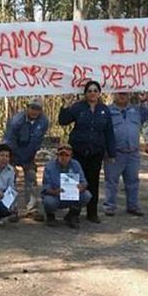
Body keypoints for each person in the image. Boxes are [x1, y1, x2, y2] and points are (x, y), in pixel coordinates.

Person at [59, 80, 116, 223]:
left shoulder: (104, 110)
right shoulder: (78, 107)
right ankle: (73, 213)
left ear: (99, 93)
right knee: (74, 182)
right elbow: (63, 121)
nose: (92, 93)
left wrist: (112, 152)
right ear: (85, 93)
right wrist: (66, 105)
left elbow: (109, 132)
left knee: (93, 182)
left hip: (96, 151)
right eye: (89, 90)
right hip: (78, 150)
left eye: (95, 90)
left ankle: (92, 213)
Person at [102, 92, 148, 217]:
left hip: (132, 153)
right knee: (111, 181)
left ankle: (133, 206)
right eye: (120, 93)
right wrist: (106, 151)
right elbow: (102, 131)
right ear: (114, 94)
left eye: (125, 93)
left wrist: (144, 101)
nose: (122, 95)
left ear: (129, 95)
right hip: (115, 153)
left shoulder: (136, 110)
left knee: (133, 181)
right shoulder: (107, 111)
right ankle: (110, 206)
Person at [3, 97, 49, 216]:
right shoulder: (16, 121)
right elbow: (9, 140)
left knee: (32, 179)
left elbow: (39, 139)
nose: (34, 111)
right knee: (10, 180)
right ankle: (11, 208)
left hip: (30, 154)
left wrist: (32, 154)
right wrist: (11, 158)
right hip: (13, 153)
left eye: (38, 109)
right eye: (32, 108)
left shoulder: (43, 121)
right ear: (27, 108)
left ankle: (32, 208)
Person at [41, 144, 91, 228]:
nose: (63, 158)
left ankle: (72, 215)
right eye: (61, 155)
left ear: (71, 156)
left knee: (86, 195)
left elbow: (84, 182)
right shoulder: (49, 166)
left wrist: (81, 187)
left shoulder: (76, 165)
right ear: (57, 155)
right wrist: (54, 191)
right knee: (48, 201)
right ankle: (50, 216)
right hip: (55, 196)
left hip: (72, 195)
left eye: (66, 155)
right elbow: (45, 187)